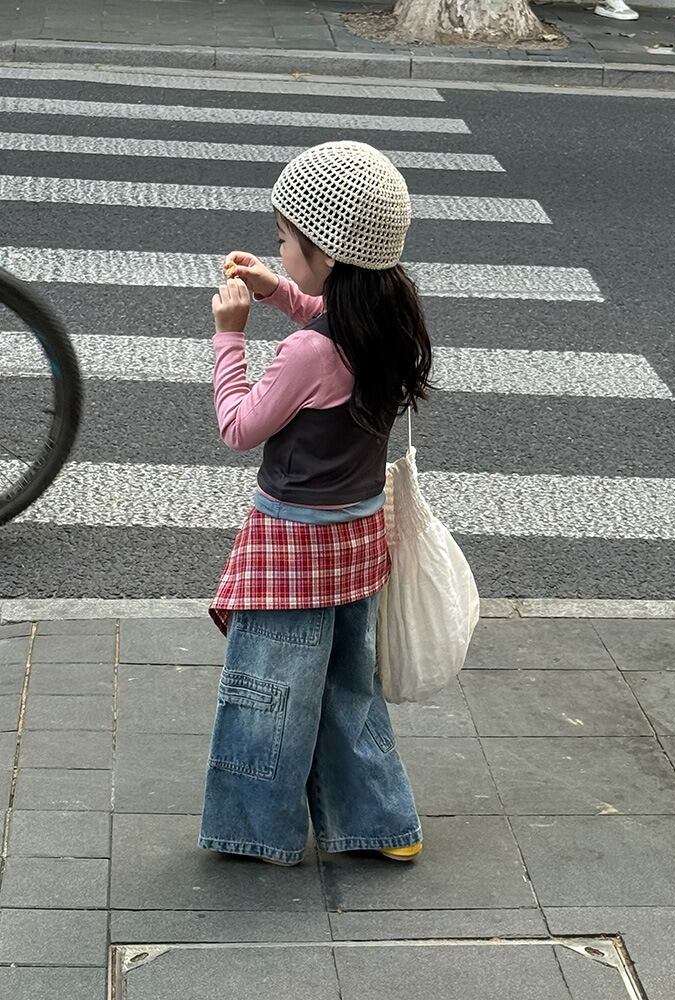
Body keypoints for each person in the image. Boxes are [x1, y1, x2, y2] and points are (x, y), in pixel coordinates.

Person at [198, 141, 432, 868]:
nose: (278, 248)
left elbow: (238, 427)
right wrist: (276, 289)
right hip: (357, 539)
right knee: (346, 692)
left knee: (267, 692)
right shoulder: (388, 316)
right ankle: (383, 823)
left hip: (292, 547)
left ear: (325, 251)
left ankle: (254, 830)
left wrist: (229, 336)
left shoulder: (307, 355)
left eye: (283, 240)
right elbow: (324, 311)